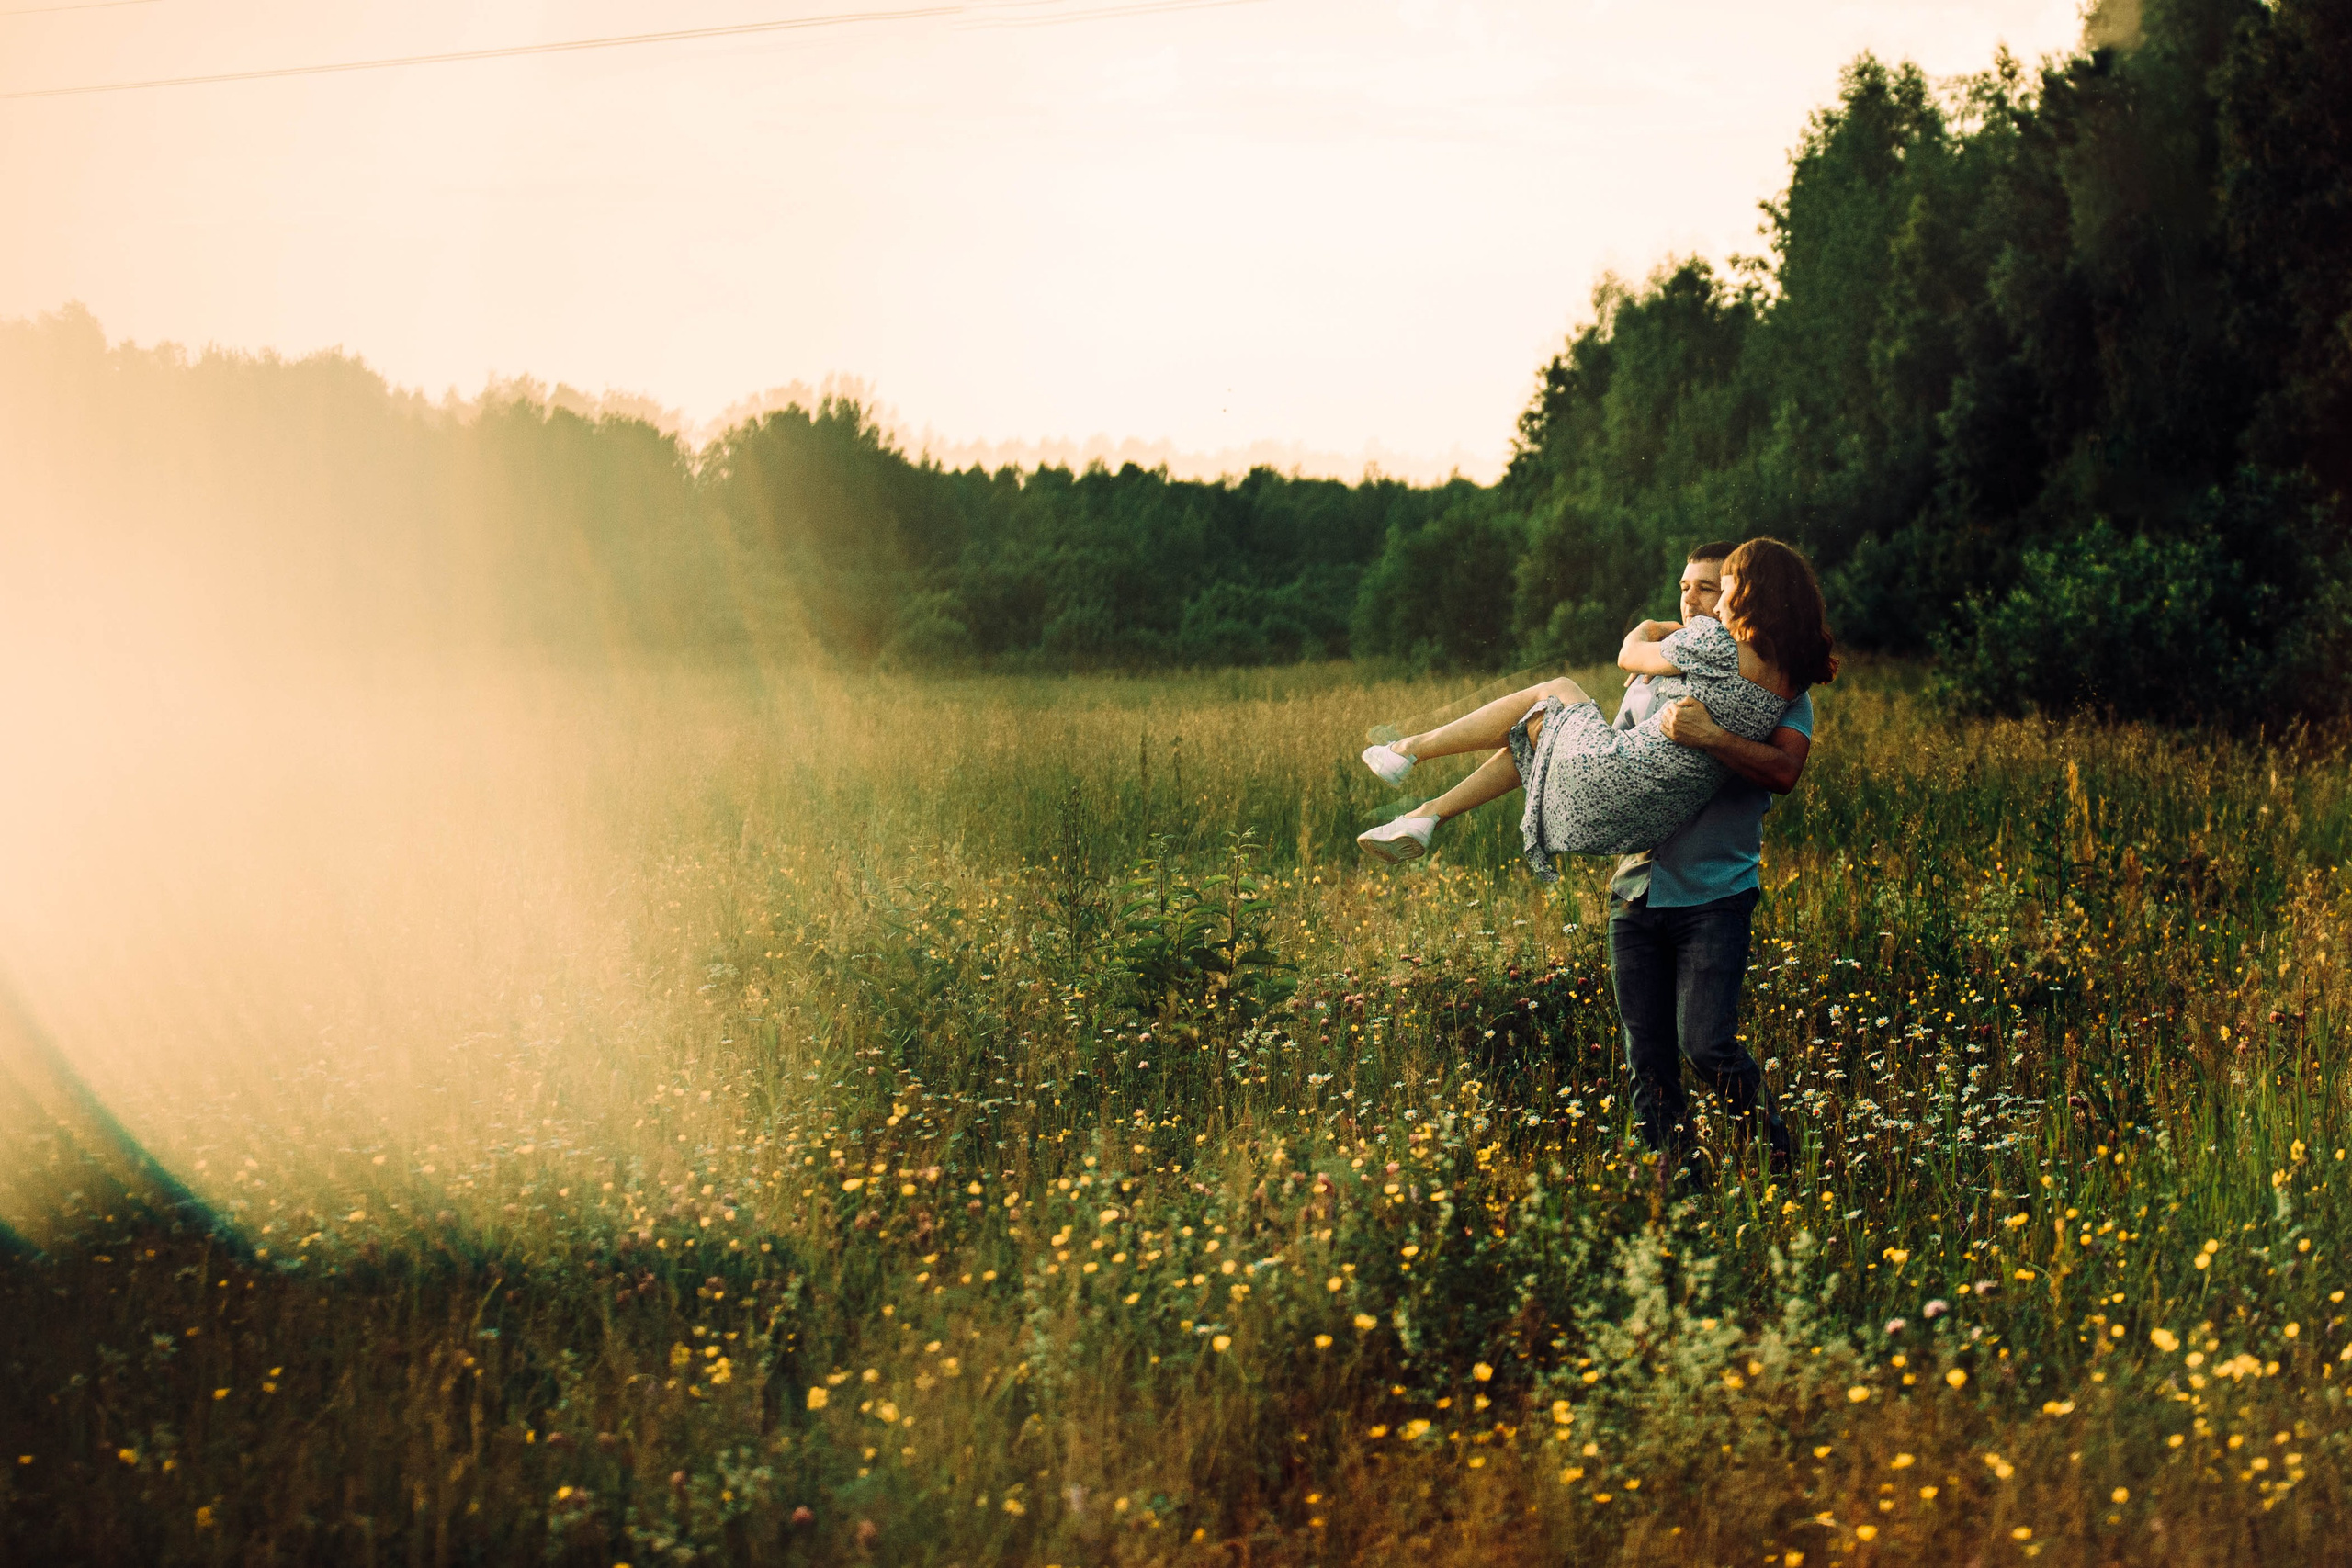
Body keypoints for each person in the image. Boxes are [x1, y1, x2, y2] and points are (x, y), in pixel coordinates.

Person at [1354, 537, 1829, 1179]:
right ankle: (1676, 1180)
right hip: (1636, 879)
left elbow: (1636, 651)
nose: (1694, 599)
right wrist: (1680, 637)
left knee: (1706, 1044)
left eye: (1713, 588)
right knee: (1647, 1058)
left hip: (1711, 888)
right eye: (1684, 586)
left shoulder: (1717, 656)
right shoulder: (1773, 674)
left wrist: (1706, 723)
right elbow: (1645, 667)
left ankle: (1412, 755)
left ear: (1745, 596)